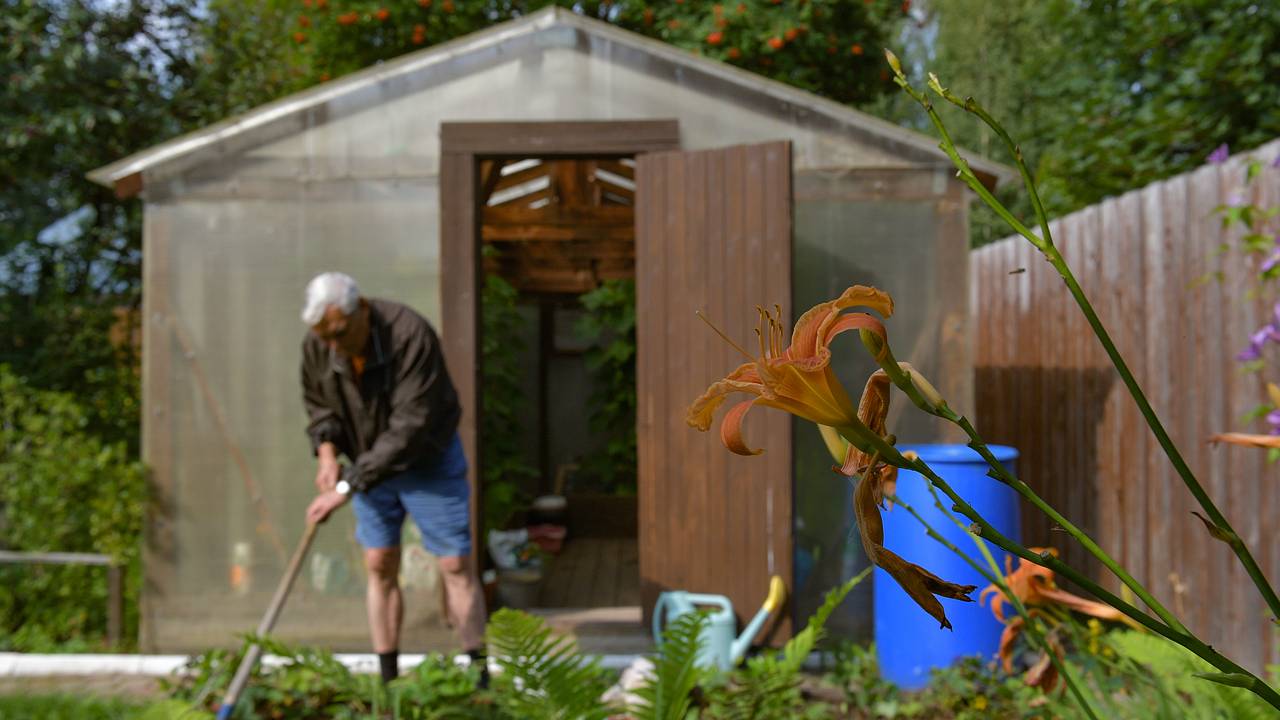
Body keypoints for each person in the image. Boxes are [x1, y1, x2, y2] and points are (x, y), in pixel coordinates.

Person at [299, 271, 486, 685]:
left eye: (340, 333)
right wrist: (327, 454)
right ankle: (388, 684)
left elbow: (410, 427)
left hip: (426, 459)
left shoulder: (409, 334)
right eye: (324, 336)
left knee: (455, 563)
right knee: (379, 562)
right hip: (368, 465)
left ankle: (480, 681)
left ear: (361, 309)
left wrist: (347, 485)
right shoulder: (320, 342)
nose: (333, 346)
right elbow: (319, 408)